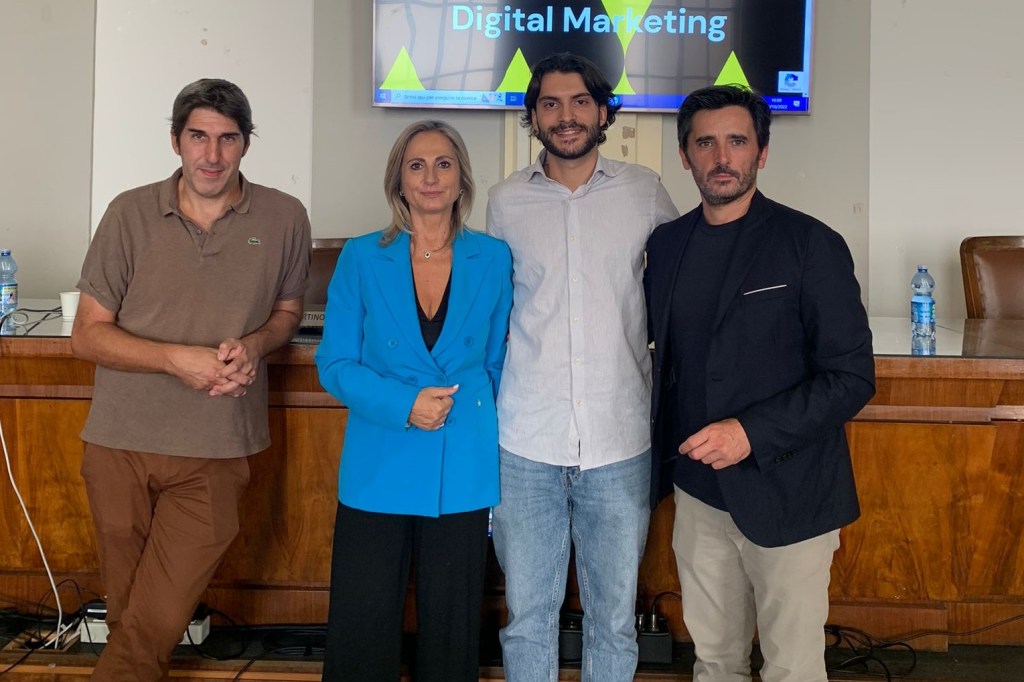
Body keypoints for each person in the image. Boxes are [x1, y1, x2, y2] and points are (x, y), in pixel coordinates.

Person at [71, 78, 311, 680]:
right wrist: (176, 359)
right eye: (198, 137)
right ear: (175, 140)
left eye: (228, 139)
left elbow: (287, 313)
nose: (212, 154)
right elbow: (87, 336)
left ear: (246, 143)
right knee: (134, 621)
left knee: (148, 623)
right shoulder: (128, 212)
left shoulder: (284, 216)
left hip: (217, 447)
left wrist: (255, 345)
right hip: (120, 444)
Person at [645, 85, 876, 682]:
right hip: (698, 493)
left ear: (762, 153)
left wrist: (749, 432)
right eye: (706, 143)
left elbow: (851, 376)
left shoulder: (811, 244)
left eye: (737, 141)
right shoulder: (665, 246)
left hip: (790, 489)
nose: (722, 157)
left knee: (792, 668)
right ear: (685, 156)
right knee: (715, 662)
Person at [486, 53, 678, 681]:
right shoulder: (505, 201)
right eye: (550, 103)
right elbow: (494, 307)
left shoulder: (645, 191)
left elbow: (680, 286)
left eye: (579, 102)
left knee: (614, 621)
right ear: (533, 115)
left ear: (601, 111)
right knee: (526, 618)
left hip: (620, 439)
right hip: (525, 440)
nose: (565, 116)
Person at [315, 119, 513, 682]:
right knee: (363, 620)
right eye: (416, 165)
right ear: (398, 180)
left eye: (443, 164)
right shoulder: (361, 257)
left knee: (452, 626)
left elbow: (496, 361)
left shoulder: (494, 257)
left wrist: (469, 420)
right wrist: (405, 405)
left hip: (462, 458)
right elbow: (334, 362)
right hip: (380, 453)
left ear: (461, 179)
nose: (430, 177)